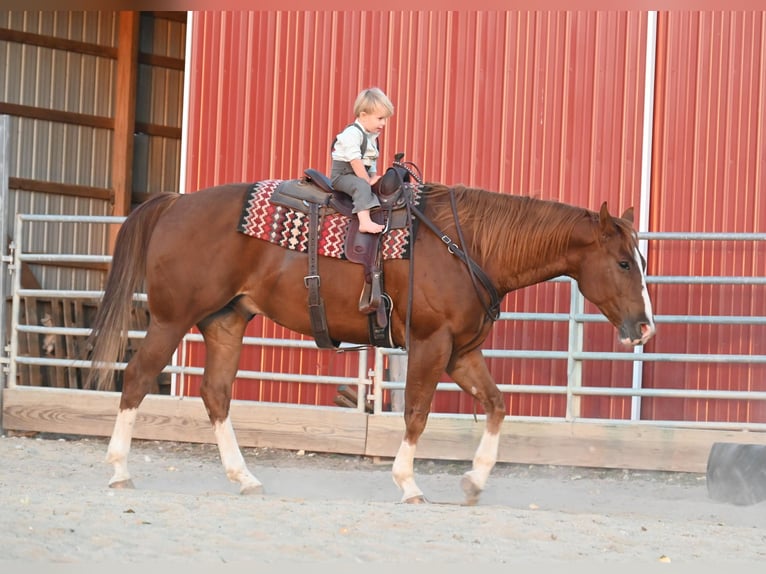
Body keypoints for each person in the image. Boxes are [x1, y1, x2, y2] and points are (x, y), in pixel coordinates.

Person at [331, 87, 394, 233]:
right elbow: (355, 161)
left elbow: (371, 162)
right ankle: (364, 222)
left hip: (358, 172)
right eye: (380, 118)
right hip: (343, 175)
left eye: (385, 119)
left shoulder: (372, 137)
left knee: (373, 185)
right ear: (364, 116)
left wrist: (373, 177)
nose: (384, 123)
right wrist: (366, 180)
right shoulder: (352, 133)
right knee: (361, 186)